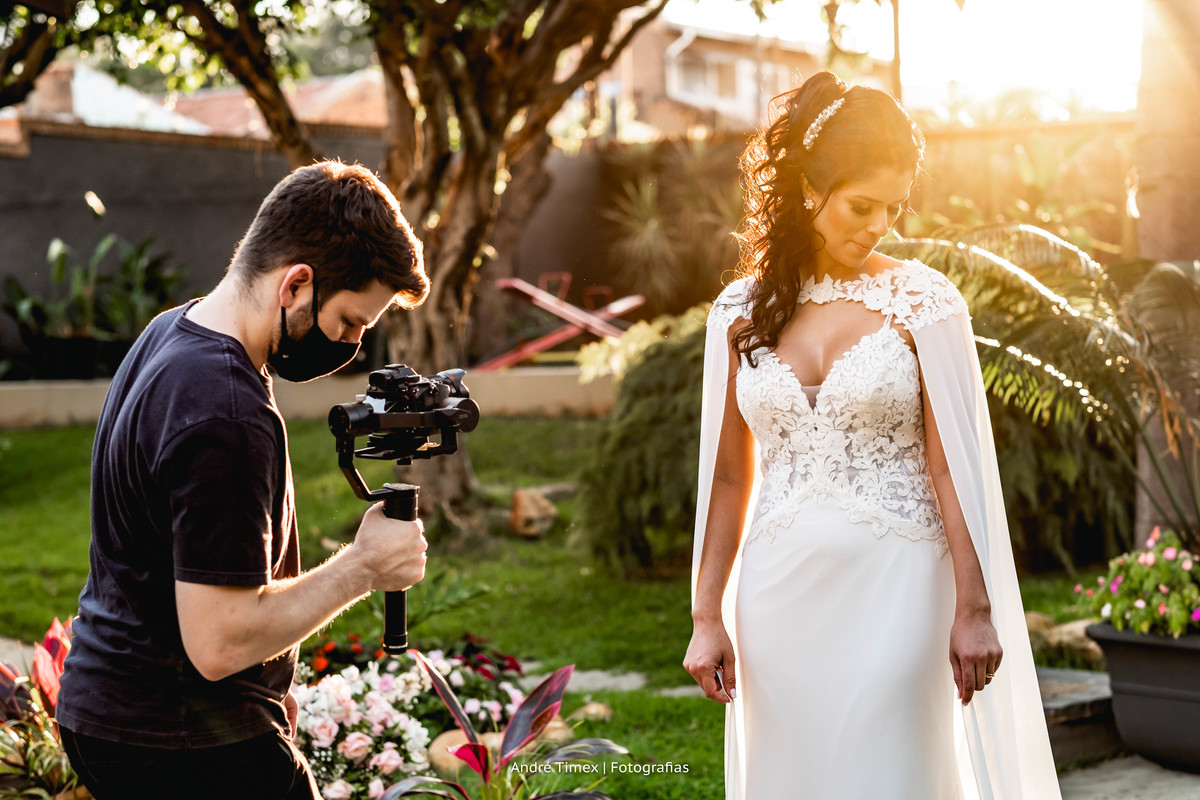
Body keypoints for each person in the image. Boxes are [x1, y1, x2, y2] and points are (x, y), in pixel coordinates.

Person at [683, 72, 1061, 799]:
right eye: (862, 205)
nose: (878, 224)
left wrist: (974, 610)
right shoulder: (735, 313)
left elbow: (955, 471)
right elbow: (730, 478)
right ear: (807, 192)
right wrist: (707, 617)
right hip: (778, 594)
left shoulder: (924, 302)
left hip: (903, 587)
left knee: (895, 775)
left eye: (893, 207)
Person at [56, 160, 431, 800]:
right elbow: (220, 643)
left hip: (110, 712)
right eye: (347, 323)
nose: (349, 345)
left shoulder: (171, 333)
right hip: (178, 740)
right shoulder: (225, 410)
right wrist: (364, 566)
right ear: (297, 284)